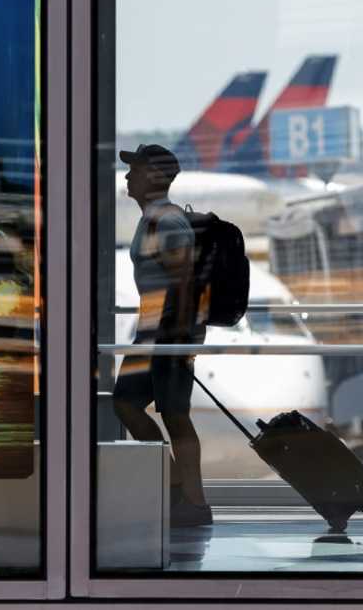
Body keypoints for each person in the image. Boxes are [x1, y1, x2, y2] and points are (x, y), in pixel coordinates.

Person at [112, 144, 211, 528]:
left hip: (168, 335)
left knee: (175, 414)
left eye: (135, 170)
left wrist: (180, 342)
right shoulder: (151, 219)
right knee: (127, 404)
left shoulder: (167, 223)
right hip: (153, 335)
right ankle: (175, 490)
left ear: (153, 176)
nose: (127, 176)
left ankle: (193, 503)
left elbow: (185, 284)